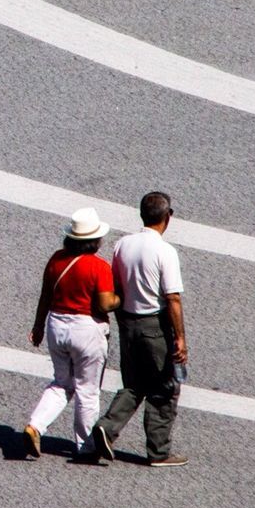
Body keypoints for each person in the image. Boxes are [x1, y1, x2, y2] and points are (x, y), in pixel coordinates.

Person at [91, 191, 188, 467]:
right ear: (167, 217)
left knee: (133, 385)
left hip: (128, 323)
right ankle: (159, 451)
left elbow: (117, 284)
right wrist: (180, 338)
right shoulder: (165, 251)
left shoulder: (122, 244)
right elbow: (172, 298)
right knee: (164, 388)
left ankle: (106, 428)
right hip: (154, 325)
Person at [22, 207, 121, 459]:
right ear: (95, 240)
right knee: (87, 390)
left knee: (61, 384)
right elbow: (105, 303)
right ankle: (85, 446)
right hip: (87, 330)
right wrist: (121, 297)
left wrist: (37, 326)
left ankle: (35, 426)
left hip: (56, 325)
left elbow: (45, 295)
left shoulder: (56, 259)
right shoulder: (99, 267)